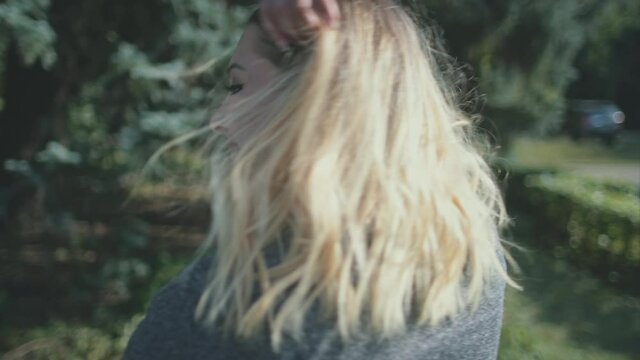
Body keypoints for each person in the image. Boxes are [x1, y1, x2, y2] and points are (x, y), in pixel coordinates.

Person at [123, 0, 517, 359]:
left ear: (316, 101)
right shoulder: (472, 257)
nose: (219, 119)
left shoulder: (222, 309)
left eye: (238, 86)